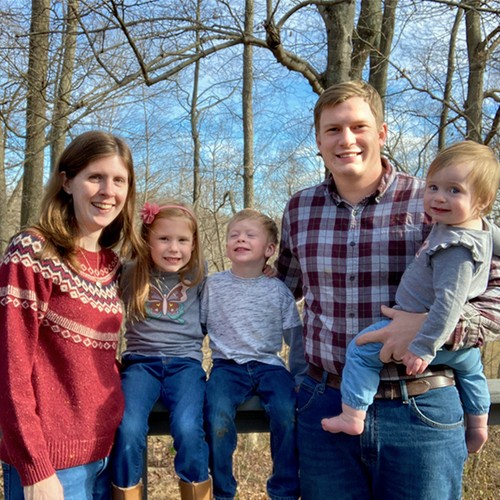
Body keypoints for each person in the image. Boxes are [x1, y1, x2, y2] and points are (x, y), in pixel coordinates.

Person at [276, 80, 500, 500]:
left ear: (381, 133)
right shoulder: (299, 209)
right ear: (318, 141)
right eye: (333, 129)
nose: (346, 140)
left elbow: (495, 290)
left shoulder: (435, 199)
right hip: (325, 406)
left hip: (421, 407)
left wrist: (436, 327)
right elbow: (278, 295)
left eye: (359, 127)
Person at [321, 140, 499, 455]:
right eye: (433, 187)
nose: (439, 197)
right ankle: (478, 424)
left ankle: (352, 415)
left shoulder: (455, 249)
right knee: (471, 368)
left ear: (482, 201)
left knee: (360, 350)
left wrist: (422, 345)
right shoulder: (475, 227)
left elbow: (449, 304)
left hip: (422, 337)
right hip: (450, 345)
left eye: (454, 190)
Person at [0, 130, 141, 500]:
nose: (108, 191)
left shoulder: (112, 266)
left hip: (110, 456)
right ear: (67, 182)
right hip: (53, 466)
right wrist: (35, 467)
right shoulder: (33, 251)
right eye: (95, 177)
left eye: (119, 180)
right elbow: (11, 365)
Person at [111, 201, 211, 500]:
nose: (173, 248)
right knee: (128, 427)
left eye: (182, 240)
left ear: (194, 244)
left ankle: (197, 492)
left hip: (185, 365)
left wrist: (264, 270)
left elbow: (230, 296)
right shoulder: (130, 272)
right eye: (164, 238)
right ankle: (127, 493)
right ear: (147, 240)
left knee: (188, 427)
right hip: (141, 365)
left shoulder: (199, 274)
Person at [202, 209, 301, 500]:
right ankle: (222, 491)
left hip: (270, 365)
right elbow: (196, 330)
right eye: (234, 235)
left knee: (286, 411)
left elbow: (295, 338)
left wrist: (300, 377)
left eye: (249, 235)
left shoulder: (278, 290)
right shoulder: (212, 286)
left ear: (269, 249)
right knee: (216, 416)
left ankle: (284, 490)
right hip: (226, 367)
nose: (240, 239)